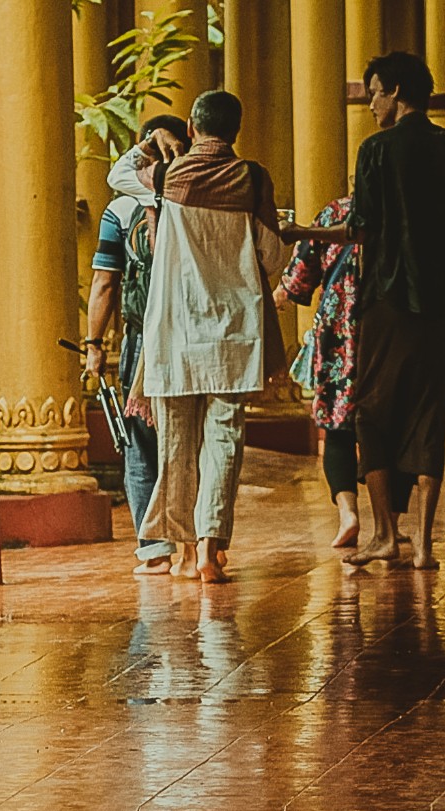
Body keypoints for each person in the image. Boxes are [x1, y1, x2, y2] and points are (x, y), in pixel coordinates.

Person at [110, 90, 291, 585]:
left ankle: (185, 553)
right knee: (225, 438)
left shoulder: (168, 178)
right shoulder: (251, 179)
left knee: (175, 443)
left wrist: (152, 141)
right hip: (236, 331)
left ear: (191, 127)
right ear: (237, 129)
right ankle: (211, 547)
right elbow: (274, 258)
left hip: (175, 330)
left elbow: (117, 175)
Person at [343, 52, 445, 569]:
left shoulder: (375, 150)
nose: (372, 104)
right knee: (429, 407)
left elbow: (361, 225)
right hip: (439, 297)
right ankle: (423, 544)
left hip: (386, 296)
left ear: (397, 90)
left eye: (376, 92)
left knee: (371, 410)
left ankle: (385, 534)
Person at [275, 192, 412, 549]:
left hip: (339, 334)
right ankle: (391, 523)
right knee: (394, 427)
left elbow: (301, 273)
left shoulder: (334, 211)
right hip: (392, 331)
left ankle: (348, 514)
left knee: (336, 427)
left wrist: (279, 294)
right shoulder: (404, 210)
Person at [85, 113, 188, 576]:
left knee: (140, 442)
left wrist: (93, 343)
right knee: (185, 438)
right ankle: (194, 544)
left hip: (141, 336)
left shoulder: (124, 206)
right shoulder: (199, 198)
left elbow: (106, 281)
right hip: (190, 335)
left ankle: (154, 548)